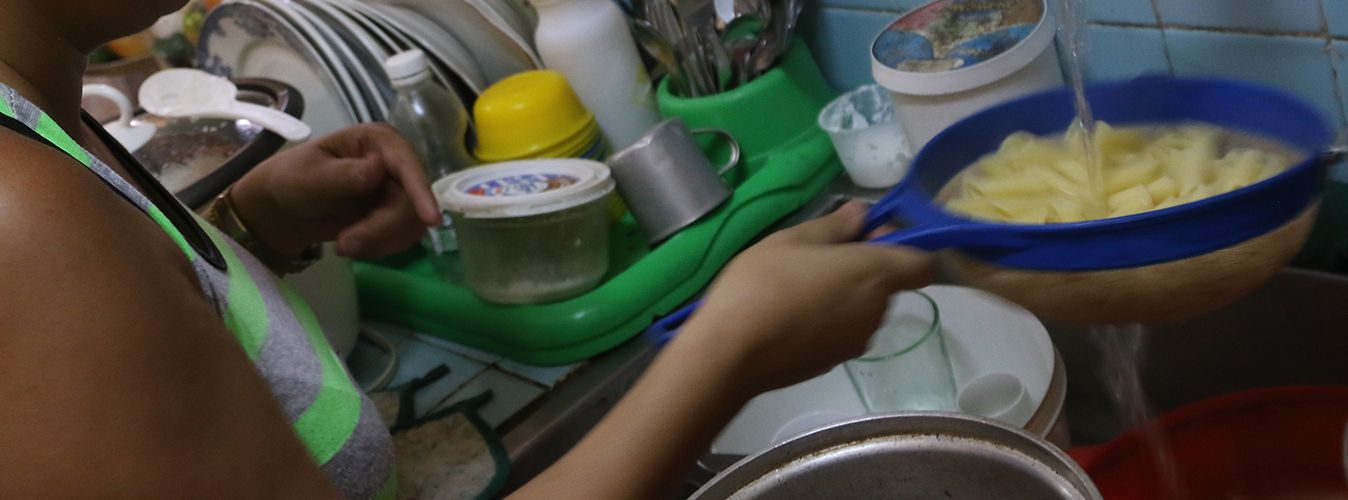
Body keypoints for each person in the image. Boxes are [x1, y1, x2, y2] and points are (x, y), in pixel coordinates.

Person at [0, 1, 933, 498]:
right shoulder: (21, 221)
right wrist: (728, 352)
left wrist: (254, 230)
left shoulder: (43, 121)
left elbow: (137, 346)